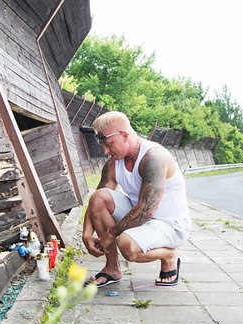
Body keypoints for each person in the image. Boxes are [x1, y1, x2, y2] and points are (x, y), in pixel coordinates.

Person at [82, 111, 191, 287]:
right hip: (141, 217)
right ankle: (111, 268)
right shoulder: (113, 163)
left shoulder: (154, 157)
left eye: (109, 144)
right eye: (102, 144)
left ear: (124, 135)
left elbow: (146, 210)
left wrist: (110, 234)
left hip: (171, 225)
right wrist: (86, 234)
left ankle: (168, 255)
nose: (105, 151)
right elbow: (95, 200)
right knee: (99, 197)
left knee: (126, 245)